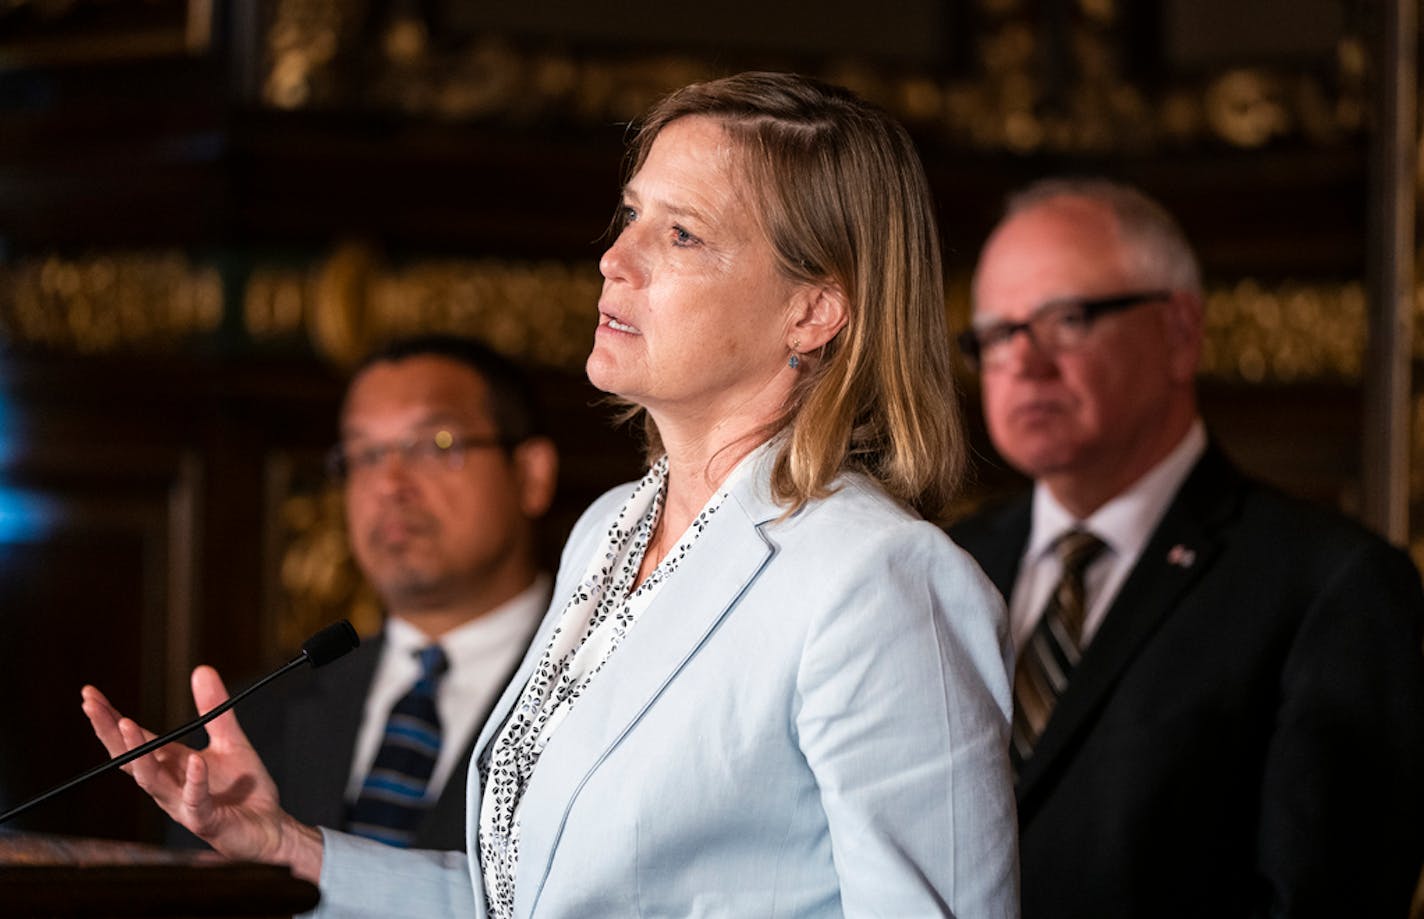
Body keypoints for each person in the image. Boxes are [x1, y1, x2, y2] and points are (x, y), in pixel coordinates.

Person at [81, 72, 1018, 917]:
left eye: (682, 232)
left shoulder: (882, 581)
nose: (616, 257)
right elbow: (526, 901)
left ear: (813, 310)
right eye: (631, 213)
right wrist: (289, 848)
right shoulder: (610, 530)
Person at [949, 177, 1424, 918]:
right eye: (998, 334)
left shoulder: (1333, 586)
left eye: (1066, 319)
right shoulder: (948, 562)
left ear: (1179, 333)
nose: (1025, 363)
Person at [218, 335, 558, 853]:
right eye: (365, 454)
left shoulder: (614, 697)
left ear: (531, 474)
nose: (389, 484)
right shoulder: (251, 723)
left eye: (436, 444)